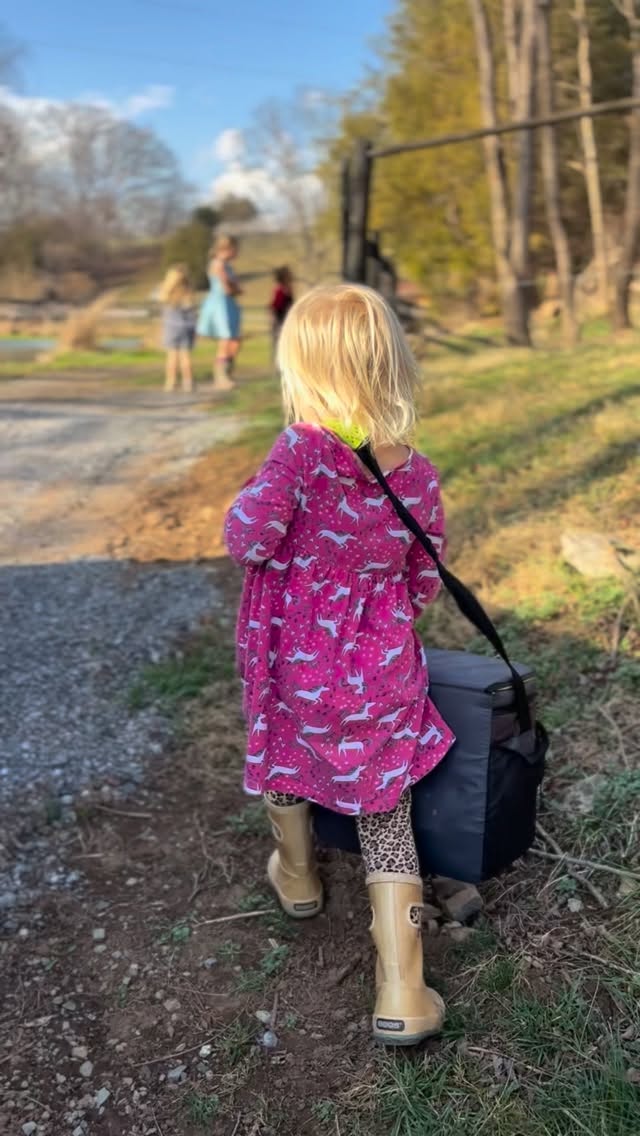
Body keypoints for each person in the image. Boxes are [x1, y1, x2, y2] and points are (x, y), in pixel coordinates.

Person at [224, 283, 456, 1047]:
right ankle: (403, 988)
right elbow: (425, 577)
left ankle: (297, 877)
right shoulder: (416, 473)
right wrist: (375, 619)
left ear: (304, 371)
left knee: (288, 758)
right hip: (381, 665)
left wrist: (250, 501)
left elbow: (248, 539)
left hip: (293, 663)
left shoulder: (298, 453)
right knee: (384, 809)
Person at [197, 234, 242, 392]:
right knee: (225, 340)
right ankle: (221, 377)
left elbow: (235, 287)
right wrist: (234, 287)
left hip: (229, 303)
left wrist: (235, 287)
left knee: (234, 340)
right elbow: (227, 287)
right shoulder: (218, 264)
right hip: (220, 304)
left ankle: (227, 373)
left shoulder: (228, 266)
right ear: (227, 249)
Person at [159, 264, 197, 393]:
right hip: (186, 328)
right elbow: (192, 311)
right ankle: (188, 382)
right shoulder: (187, 293)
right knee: (185, 356)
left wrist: (167, 286)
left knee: (172, 356)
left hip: (171, 328)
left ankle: (171, 381)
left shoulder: (167, 294)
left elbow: (160, 299)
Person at [269, 265, 294, 361]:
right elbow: (274, 306)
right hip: (279, 319)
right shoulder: (279, 289)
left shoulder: (288, 289)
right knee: (279, 342)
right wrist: (275, 320)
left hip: (286, 319)